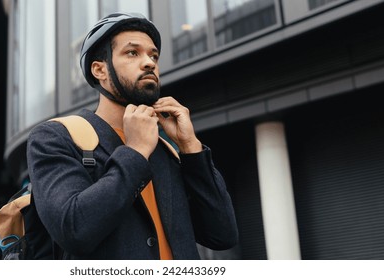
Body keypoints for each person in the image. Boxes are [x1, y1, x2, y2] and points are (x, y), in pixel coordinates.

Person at [26, 12, 238, 260]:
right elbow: (74, 230)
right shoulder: (55, 137)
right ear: (99, 70)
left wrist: (190, 146)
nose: (149, 62)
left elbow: (222, 235)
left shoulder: (166, 151)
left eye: (153, 55)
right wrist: (136, 151)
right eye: (132, 53)